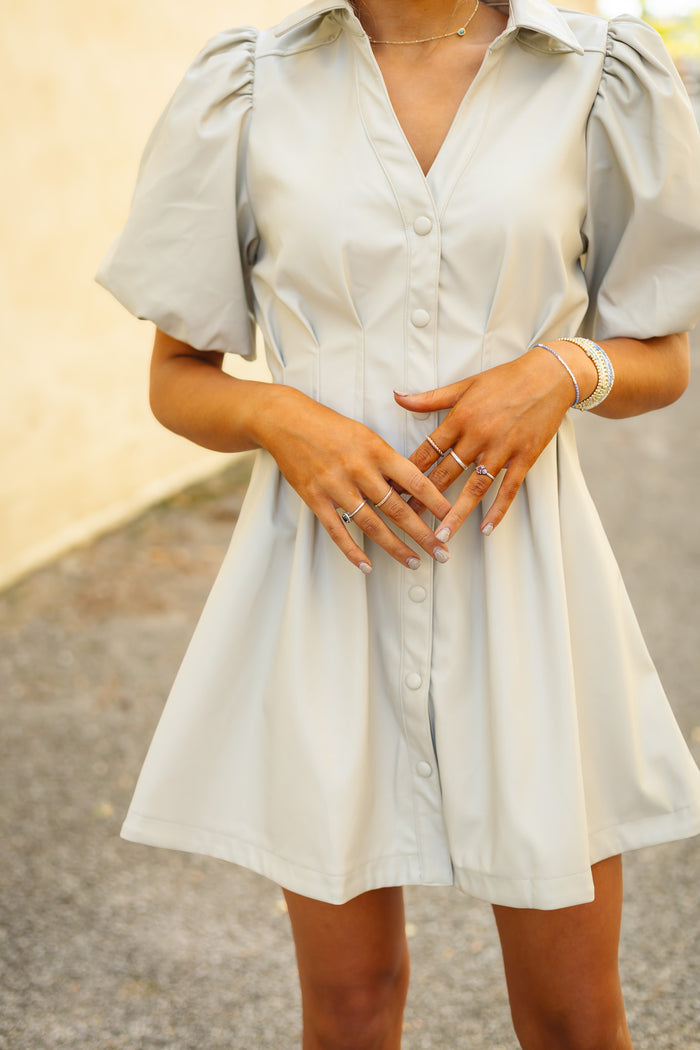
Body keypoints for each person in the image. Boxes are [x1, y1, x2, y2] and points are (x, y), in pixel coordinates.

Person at [97, 1, 700, 1046]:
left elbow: (659, 359)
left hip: (529, 590)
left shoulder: (599, 71)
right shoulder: (249, 79)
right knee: (349, 1006)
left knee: (572, 1018)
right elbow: (178, 380)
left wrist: (563, 367)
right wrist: (278, 413)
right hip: (326, 584)